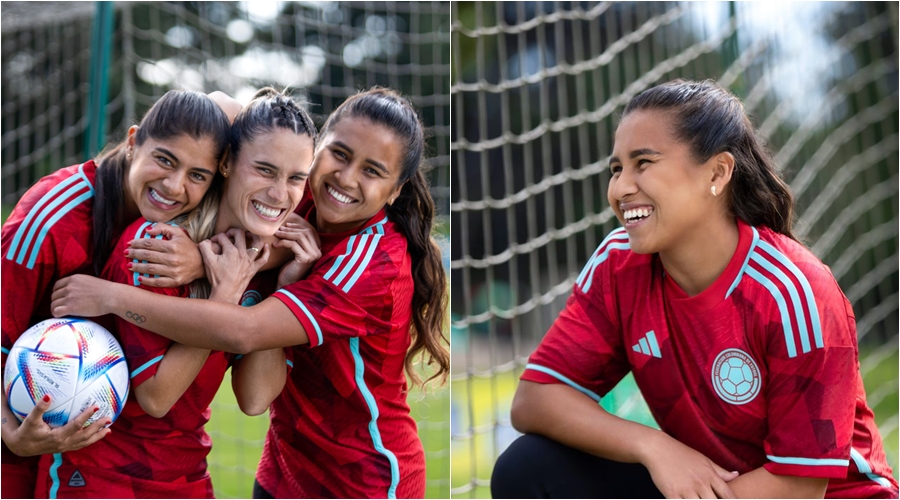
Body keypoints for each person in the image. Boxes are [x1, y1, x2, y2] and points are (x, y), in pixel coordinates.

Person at [489, 80, 898, 499]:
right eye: (616, 169)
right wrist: (654, 447)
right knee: (527, 469)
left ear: (717, 172)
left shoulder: (796, 292)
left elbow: (797, 487)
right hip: (710, 488)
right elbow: (535, 400)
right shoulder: (619, 265)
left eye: (643, 162)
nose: (620, 188)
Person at [49, 87, 450, 499]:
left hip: (358, 479)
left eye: (373, 170)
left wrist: (117, 295)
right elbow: (228, 108)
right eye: (340, 154)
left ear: (396, 189)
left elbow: (248, 354)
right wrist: (207, 262)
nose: (345, 178)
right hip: (277, 468)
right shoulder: (179, 244)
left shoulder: (369, 261)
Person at [33, 88, 319, 499]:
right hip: (100, 475)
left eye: (295, 179)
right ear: (226, 164)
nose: (280, 195)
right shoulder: (157, 246)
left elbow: (256, 398)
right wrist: (223, 296)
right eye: (264, 170)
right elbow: (156, 396)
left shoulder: (259, 256)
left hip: (186, 474)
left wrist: (286, 287)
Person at [1, 90, 231, 499]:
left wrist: (199, 260)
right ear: (132, 141)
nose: (175, 186)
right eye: (165, 159)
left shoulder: (189, 229)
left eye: (198, 175)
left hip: (88, 448)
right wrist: (9, 432)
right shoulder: (50, 218)